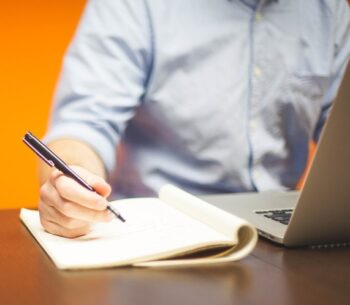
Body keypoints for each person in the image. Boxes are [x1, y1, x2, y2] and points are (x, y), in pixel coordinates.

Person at [38, 0, 350, 238]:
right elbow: (83, 124)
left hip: (284, 234)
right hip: (156, 234)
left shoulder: (331, 11)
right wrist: (73, 184)